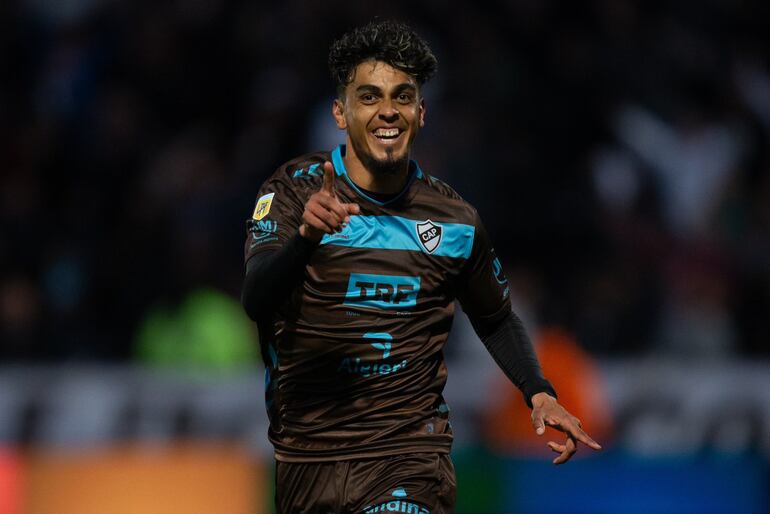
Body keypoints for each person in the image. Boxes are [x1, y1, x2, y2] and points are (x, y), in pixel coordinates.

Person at [242, 20, 601, 514]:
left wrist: (537, 391)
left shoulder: (454, 221)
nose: (387, 109)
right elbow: (256, 299)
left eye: (402, 96)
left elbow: (495, 317)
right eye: (368, 96)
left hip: (409, 455)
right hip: (308, 460)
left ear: (421, 112)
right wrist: (304, 241)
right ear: (340, 113)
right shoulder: (291, 192)